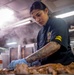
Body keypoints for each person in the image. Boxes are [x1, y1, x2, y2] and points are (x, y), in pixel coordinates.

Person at [8, 1, 74, 70]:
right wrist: (29, 65)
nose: (37, 19)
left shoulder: (58, 23)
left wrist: (26, 60)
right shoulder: (40, 33)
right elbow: (40, 55)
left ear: (46, 11)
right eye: (34, 18)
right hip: (48, 69)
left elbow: (54, 45)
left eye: (39, 15)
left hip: (64, 68)